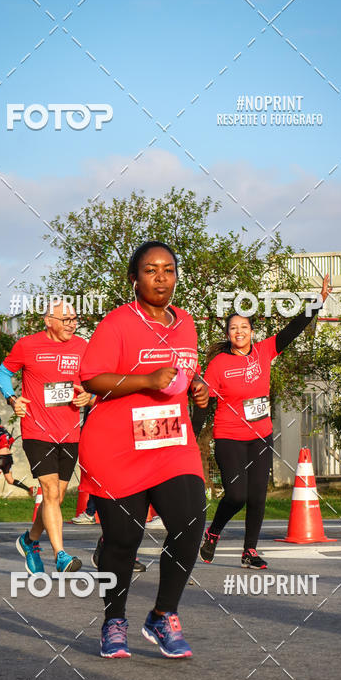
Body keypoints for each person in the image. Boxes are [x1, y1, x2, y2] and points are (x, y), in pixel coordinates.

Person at [79, 241, 209, 658]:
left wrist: (198, 386)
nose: (160, 278)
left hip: (171, 442)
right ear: (133, 278)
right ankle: (114, 620)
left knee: (190, 525)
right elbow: (92, 379)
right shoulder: (116, 323)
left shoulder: (186, 323)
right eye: (150, 270)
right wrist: (147, 381)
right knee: (122, 541)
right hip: (117, 446)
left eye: (168, 269)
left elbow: (186, 371)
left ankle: (163, 614)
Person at [196, 275, 331, 569]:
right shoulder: (218, 364)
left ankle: (250, 551)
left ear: (252, 332)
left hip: (261, 435)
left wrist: (317, 302)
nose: (239, 331)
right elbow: (203, 398)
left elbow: (293, 329)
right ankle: (213, 532)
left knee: (257, 496)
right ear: (229, 334)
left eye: (244, 327)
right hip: (229, 436)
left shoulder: (265, 351)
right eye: (233, 328)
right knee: (237, 494)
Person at [0, 299, 92, 574]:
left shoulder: (82, 347)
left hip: (70, 431)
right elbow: (2, 372)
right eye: (66, 320)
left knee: (57, 498)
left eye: (75, 319)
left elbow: (92, 380)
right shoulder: (27, 345)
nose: (72, 325)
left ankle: (29, 540)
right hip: (38, 431)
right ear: (48, 320)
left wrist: (90, 395)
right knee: (49, 491)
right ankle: (61, 556)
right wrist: (12, 398)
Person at [0, 415, 32, 498]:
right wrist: (3, 448)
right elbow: (11, 439)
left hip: (1, 458)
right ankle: (29, 490)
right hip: (8, 457)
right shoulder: (3, 429)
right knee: (10, 480)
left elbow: (4, 439)